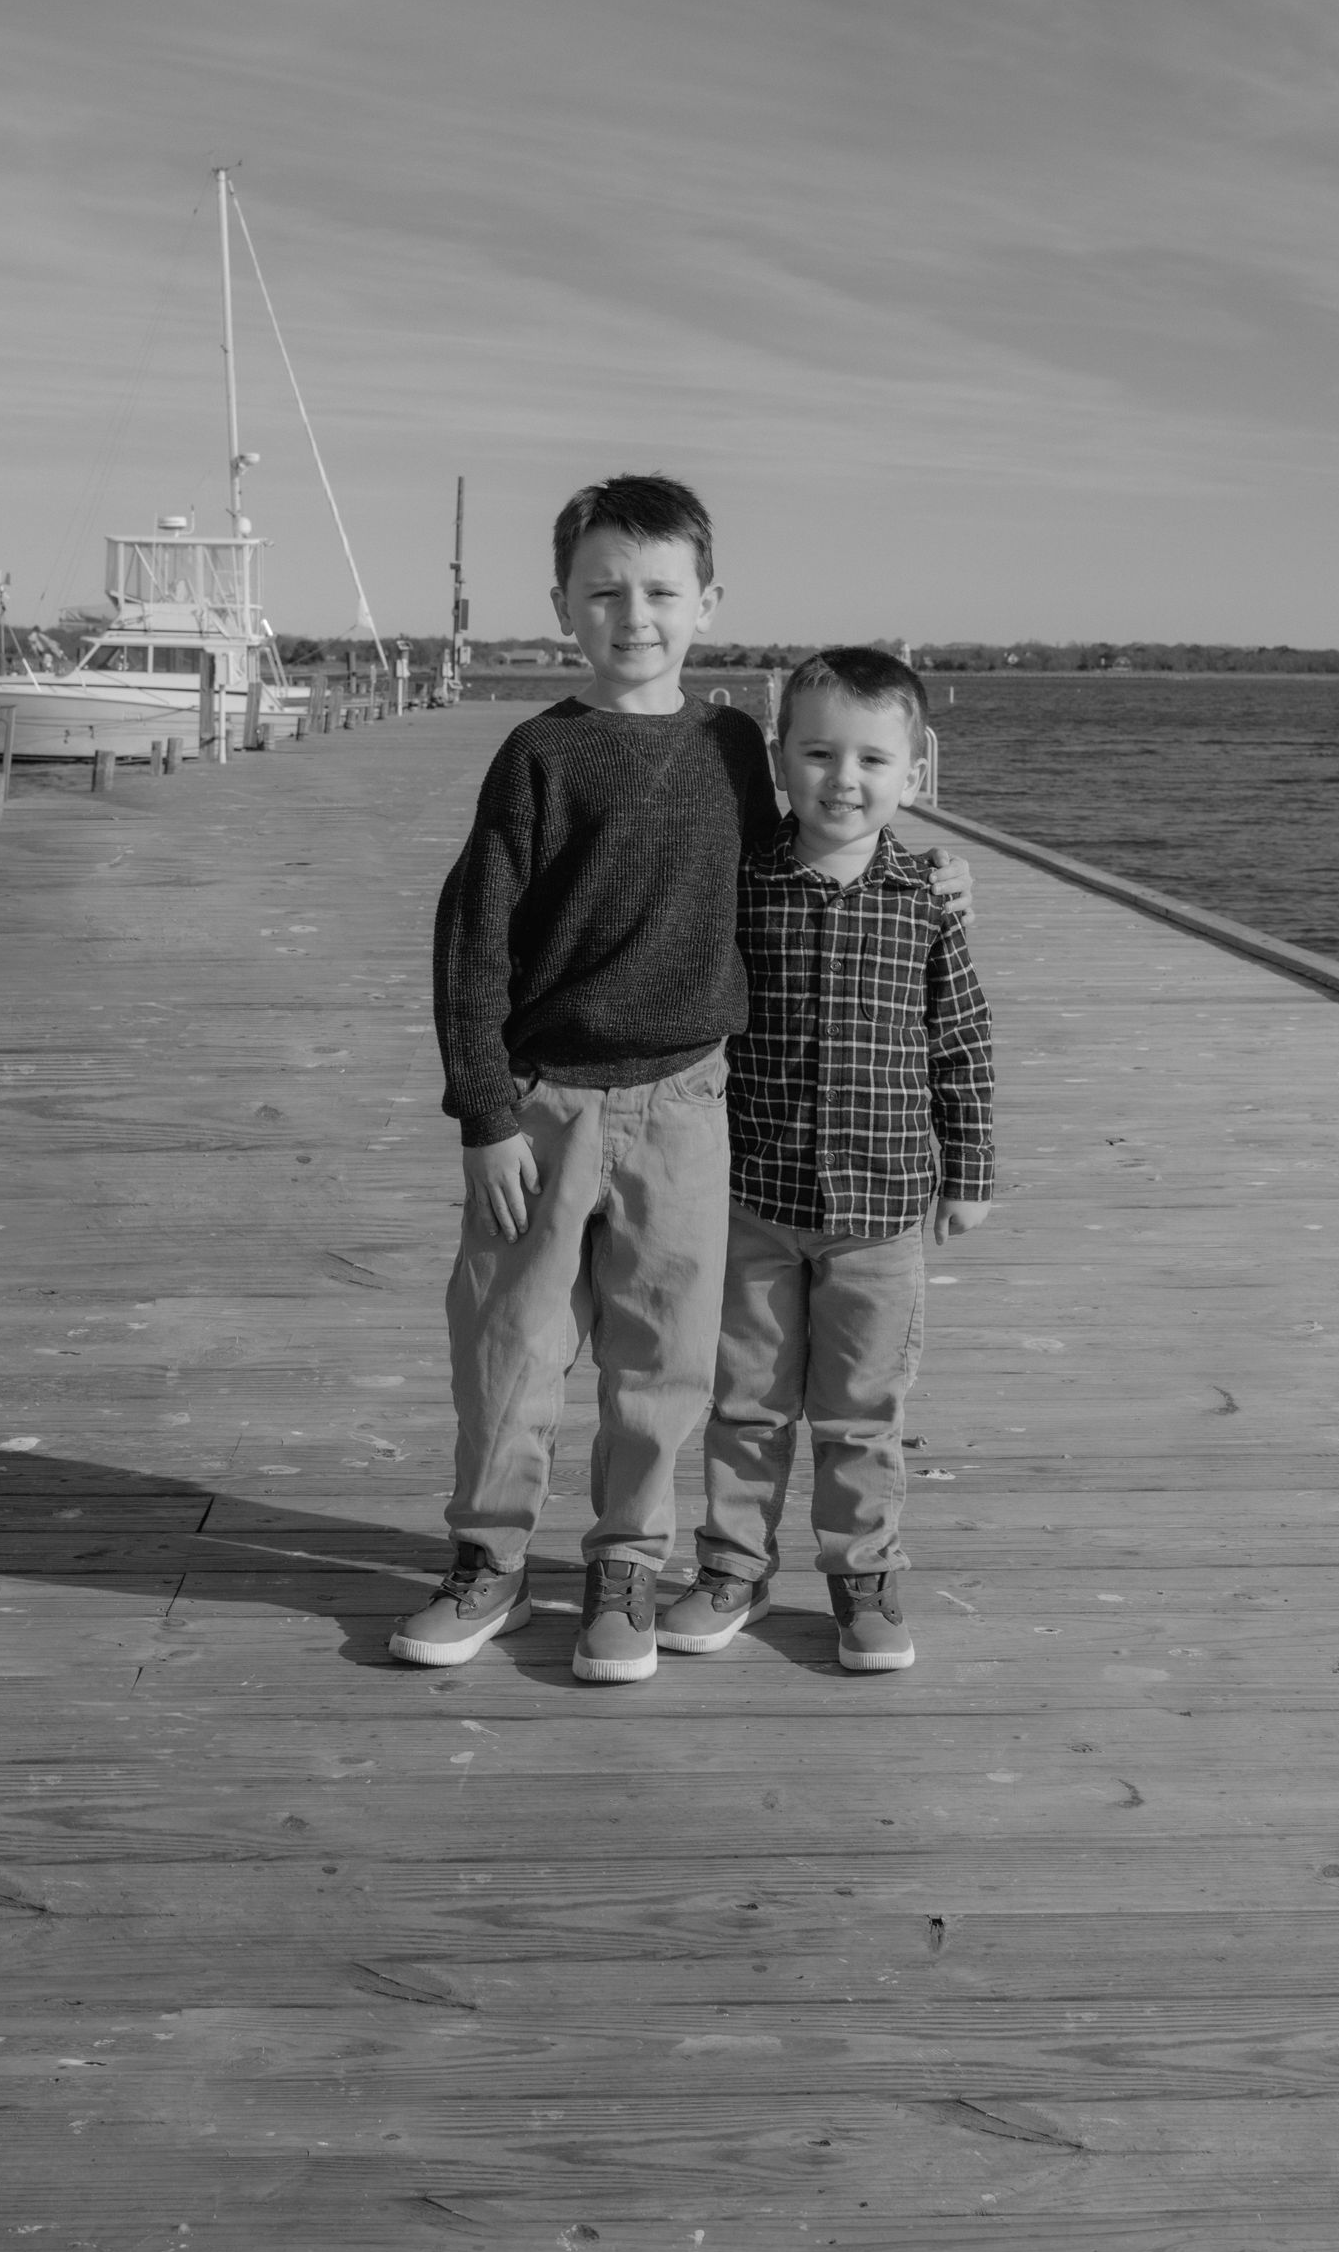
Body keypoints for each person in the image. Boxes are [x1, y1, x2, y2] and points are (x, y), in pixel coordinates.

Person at [390, 477, 967, 1685]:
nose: (633, 613)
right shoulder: (540, 755)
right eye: (603, 590)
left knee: (665, 1364)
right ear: (562, 605)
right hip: (545, 1101)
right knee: (512, 1349)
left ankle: (622, 1570)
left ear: (708, 602)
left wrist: (930, 879)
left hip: (690, 1106)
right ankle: (487, 1558)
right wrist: (484, 1111)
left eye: (659, 589)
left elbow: (813, 846)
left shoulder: (730, 749)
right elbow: (474, 937)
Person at [658, 646, 994, 1674]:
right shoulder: (742, 880)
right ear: (777, 759)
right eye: (816, 754)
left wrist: (971, 1167)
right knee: (747, 1401)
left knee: (862, 1414)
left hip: (884, 1204)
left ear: (914, 773)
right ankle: (732, 1565)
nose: (842, 781)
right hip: (754, 1195)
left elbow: (961, 1035)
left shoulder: (926, 896)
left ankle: (865, 1577)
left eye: (872, 761)